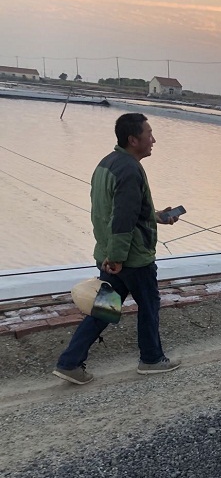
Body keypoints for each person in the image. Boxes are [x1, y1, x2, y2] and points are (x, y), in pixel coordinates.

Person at [52, 113, 181, 385]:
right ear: (133, 140)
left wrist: (156, 216)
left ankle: (70, 363)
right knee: (149, 305)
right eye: (149, 134)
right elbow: (122, 219)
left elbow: (115, 211)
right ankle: (151, 359)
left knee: (104, 310)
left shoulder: (107, 163)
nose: (153, 139)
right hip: (131, 259)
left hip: (110, 255)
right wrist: (119, 257)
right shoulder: (130, 170)